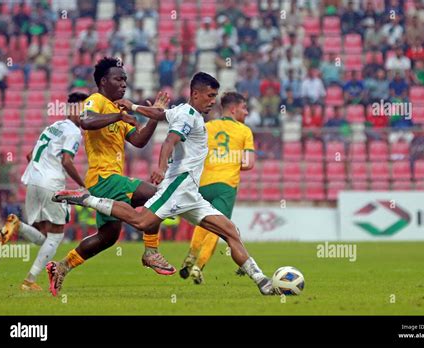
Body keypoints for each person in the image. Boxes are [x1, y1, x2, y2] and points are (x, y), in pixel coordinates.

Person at [50, 72, 274, 296]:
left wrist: (134, 107)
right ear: (195, 94)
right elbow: (169, 141)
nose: (213, 100)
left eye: (215, 96)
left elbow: (159, 114)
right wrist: (161, 167)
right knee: (140, 221)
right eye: (210, 95)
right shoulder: (188, 116)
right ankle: (88, 200)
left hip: (191, 194)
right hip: (177, 187)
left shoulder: (181, 111)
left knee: (230, 231)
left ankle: (261, 280)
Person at [44, 57, 175, 294]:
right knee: (156, 196)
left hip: (110, 179)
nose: (124, 84)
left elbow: (138, 140)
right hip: (103, 178)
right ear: (104, 81)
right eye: (119, 79)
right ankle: (151, 252)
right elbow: (85, 121)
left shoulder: (118, 108)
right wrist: (118, 116)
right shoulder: (97, 101)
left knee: (108, 237)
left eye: (125, 79)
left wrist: (155, 116)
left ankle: (61, 266)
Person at [0, 92, 88, 291]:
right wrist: (83, 185)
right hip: (51, 183)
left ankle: (17, 225)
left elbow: (30, 155)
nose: (86, 115)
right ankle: (29, 281)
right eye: (85, 110)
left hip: (33, 180)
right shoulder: (73, 131)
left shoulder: (53, 126)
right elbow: (67, 160)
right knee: (56, 236)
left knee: (44, 235)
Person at [179, 92, 255, 284]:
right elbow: (249, 163)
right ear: (233, 108)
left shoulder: (208, 126)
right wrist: (233, 161)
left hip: (203, 184)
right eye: (244, 108)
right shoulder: (244, 131)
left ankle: (190, 256)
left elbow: (192, 151)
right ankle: (198, 267)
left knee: (203, 222)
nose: (246, 113)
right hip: (225, 185)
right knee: (219, 228)